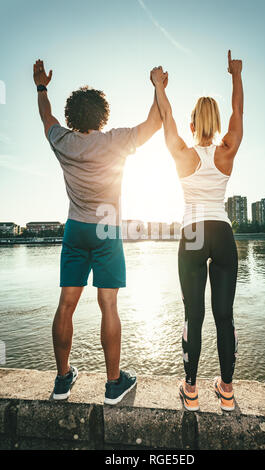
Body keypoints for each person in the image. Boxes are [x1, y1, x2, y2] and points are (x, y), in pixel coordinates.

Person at [33, 59, 167, 403]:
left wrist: (41, 86)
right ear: (102, 115)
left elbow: (46, 117)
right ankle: (112, 385)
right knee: (109, 304)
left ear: (73, 116)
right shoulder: (115, 141)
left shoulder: (62, 140)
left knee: (66, 304)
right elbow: (156, 122)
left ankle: (62, 380)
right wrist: (158, 87)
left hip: (76, 229)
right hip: (107, 230)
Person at [151, 50, 243, 412]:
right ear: (216, 122)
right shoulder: (227, 149)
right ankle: (227, 390)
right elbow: (239, 111)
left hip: (192, 234)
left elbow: (166, 117)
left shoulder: (182, 153)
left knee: (194, 315)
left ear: (193, 125)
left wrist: (160, 86)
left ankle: (190, 390)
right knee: (225, 315)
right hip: (221, 232)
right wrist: (236, 75)